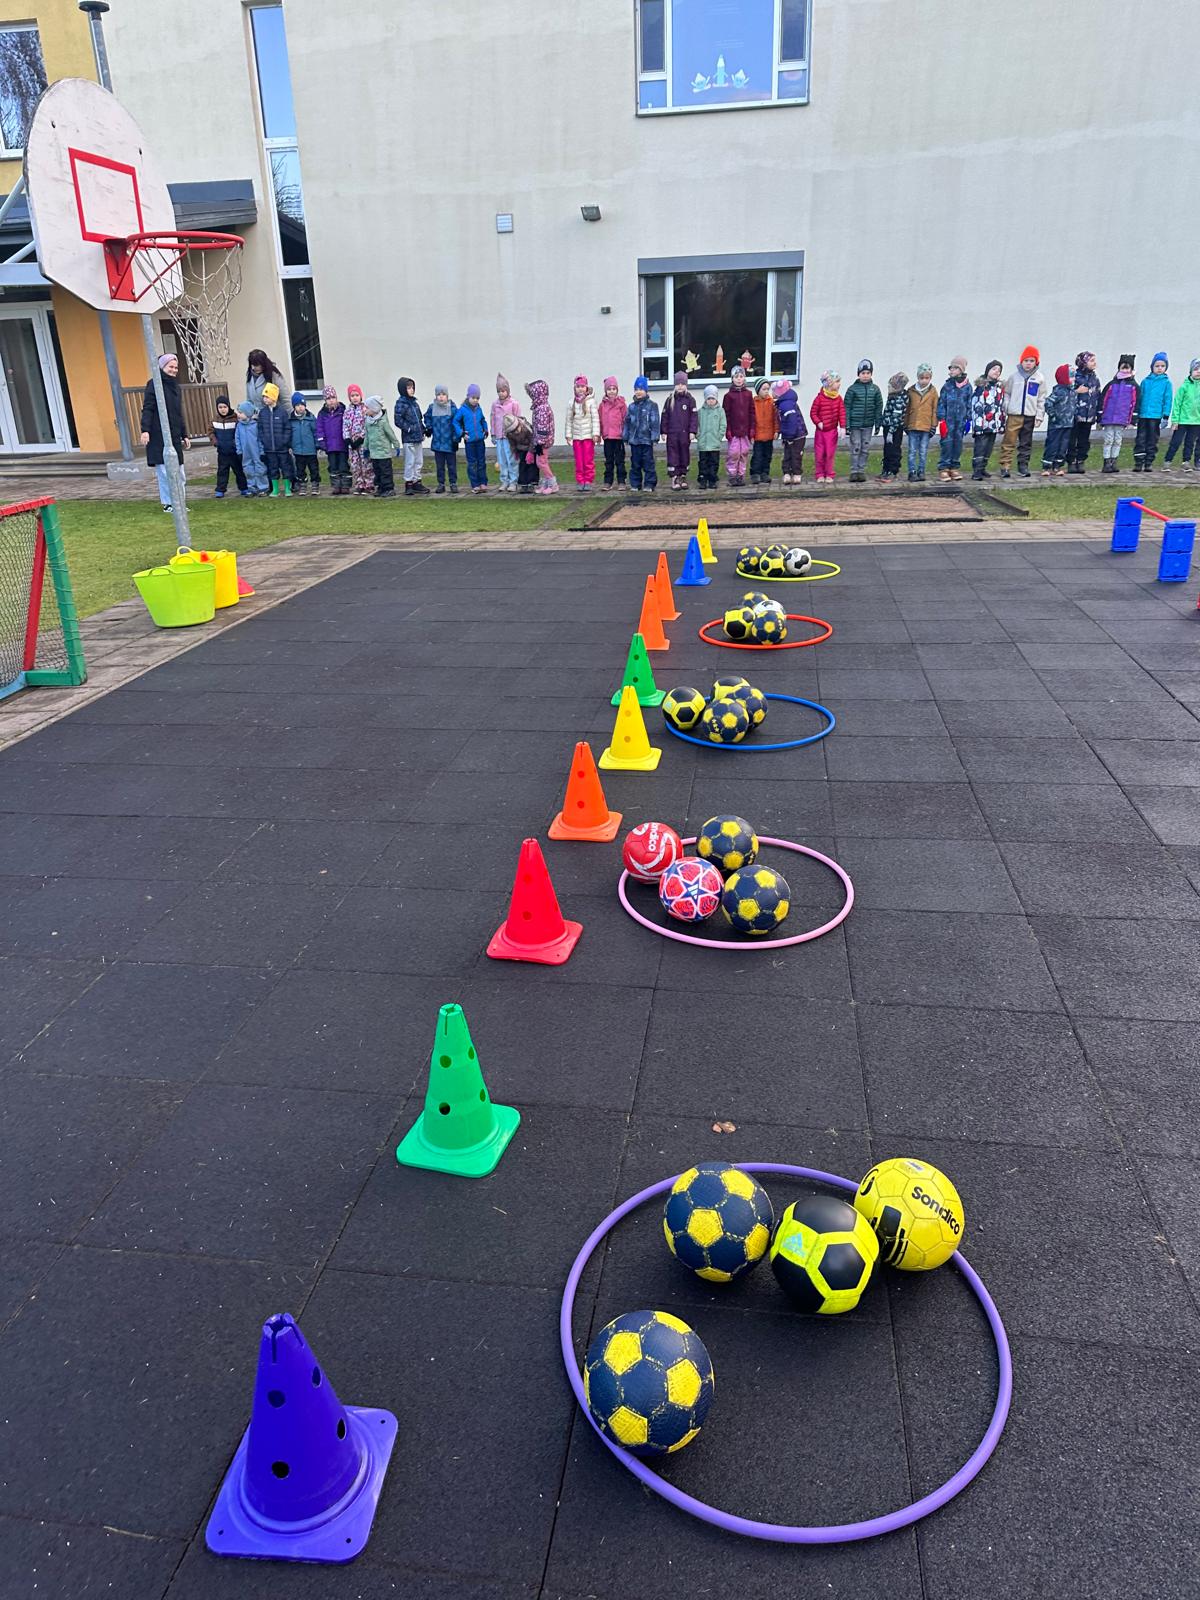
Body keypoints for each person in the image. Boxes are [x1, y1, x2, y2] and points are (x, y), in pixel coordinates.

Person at [139, 353, 189, 512]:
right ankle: (169, 503)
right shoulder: (154, 384)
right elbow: (148, 408)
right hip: (158, 435)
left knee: (179, 471)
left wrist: (184, 434)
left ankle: (180, 501)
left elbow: (178, 412)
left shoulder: (176, 387)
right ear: (162, 367)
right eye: (170, 367)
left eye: (176, 367)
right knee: (165, 471)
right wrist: (145, 430)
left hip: (174, 434)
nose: (174, 370)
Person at [999, 346, 1046, 478]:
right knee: (1009, 441)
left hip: (1030, 415)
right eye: (1026, 361)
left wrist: (1039, 416)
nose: (1028, 363)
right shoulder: (1014, 377)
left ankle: (1023, 465)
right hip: (1014, 415)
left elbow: (1041, 398)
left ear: (1036, 362)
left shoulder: (1039, 378)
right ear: (1021, 361)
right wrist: (1007, 406)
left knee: (1026, 442)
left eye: (1031, 361)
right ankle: (1005, 465)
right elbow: (1007, 393)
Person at [844, 359, 882, 482]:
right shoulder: (852, 389)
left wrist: (878, 423)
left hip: (868, 424)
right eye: (863, 373)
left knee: (865, 448)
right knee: (856, 447)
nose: (865, 375)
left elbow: (878, 407)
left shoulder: (875, 389)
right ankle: (854, 471)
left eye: (868, 373)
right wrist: (847, 424)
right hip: (855, 424)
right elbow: (847, 407)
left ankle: (861, 470)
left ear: (871, 374)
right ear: (858, 374)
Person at [1133, 352, 1172, 472]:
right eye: (1157, 366)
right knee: (1140, 438)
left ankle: (1149, 462)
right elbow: (1139, 397)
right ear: (1152, 367)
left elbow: (1168, 400)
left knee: (1152, 439)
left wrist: (1166, 416)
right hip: (1143, 415)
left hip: (1156, 416)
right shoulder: (1145, 381)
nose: (1159, 368)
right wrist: (1136, 412)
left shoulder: (1166, 383)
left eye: (1162, 366)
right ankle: (1138, 462)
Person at [936, 356, 973, 481]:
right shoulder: (947, 386)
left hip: (960, 421)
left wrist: (969, 419)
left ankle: (954, 467)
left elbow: (969, 403)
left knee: (958, 444)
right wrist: (941, 420)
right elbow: (941, 403)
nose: (952, 370)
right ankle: (944, 468)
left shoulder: (967, 387)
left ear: (961, 370)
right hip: (948, 421)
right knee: (947, 443)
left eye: (955, 368)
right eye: (951, 368)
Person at [1099, 355, 1138, 473]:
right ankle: (1106, 462)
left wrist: (1133, 419)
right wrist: (1100, 414)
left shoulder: (1134, 386)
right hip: (1109, 418)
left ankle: (1113, 461)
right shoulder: (1111, 384)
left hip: (1122, 418)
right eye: (1123, 368)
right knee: (1108, 440)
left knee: (1117, 440)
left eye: (1127, 368)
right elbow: (1103, 399)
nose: (1125, 371)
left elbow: (1136, 403)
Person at [661, 369, 698, 490]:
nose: (680, 386)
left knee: (684, 454)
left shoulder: (690, 400)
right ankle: (674, 477)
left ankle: (683, 476)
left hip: (685, 434)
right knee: (673, 455)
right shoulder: (670, 400)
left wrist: (693, 431)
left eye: (682, 384)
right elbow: (665, 417)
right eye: (678, 384)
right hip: (672, 434)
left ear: (686, 385)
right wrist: (664, 431)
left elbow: (694, 417)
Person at [623, 374, 660, 491]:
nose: (638, 392)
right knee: (635, 463)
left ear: (646, 390)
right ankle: (635, 484)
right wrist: (625, 436)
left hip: (647, 440)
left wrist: (655, 437)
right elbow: (627, 422)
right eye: (636, 389)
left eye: (641, 389)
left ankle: (649, 484)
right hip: (635, 440)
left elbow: (655, 422)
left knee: (648, 463)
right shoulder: (631, 407)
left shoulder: (652, 405)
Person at [970, 361, 1006, 480]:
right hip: (983, 424)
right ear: (988, 371)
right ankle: (976, 471)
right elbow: (977, 405)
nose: (997, 372)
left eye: (999, 370)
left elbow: (1000, 406)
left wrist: (1001, 422)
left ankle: (982, 468)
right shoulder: (981, 387)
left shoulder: (999, 388)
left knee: (989, 448)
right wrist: (978, 425)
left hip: (994, 424)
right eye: (994, 369)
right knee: (980, 447)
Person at [1066, 351, 1101, 474]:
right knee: (1072, 439)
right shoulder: (1074, 377)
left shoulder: (1095, 378)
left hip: (1089, 415)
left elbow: (1098, 396)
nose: (1094, 363)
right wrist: (1076, 391)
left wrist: (1098, 413)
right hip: (1075, 415)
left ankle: (1081, 460)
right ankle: (1071, 461)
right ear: (1083, 363)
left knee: (1084, 440)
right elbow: (1065, 393)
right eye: (1091, 361)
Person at [564, 374, 600, 492]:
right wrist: (568, 435)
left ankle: (588, 480)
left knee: (588, 460)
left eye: (582, 386)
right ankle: (580, 480)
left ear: (586, 388)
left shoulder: (591, 402)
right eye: (578, 387)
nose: (580, 389)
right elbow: (569, 420)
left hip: (588, 437)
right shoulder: (572, 403)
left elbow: (595, 419)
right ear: (575, 388)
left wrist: (596, 434)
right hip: (577, 437)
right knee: (579, 461)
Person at [256, 381, 293, 496]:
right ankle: (275, 489)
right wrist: (264, 441)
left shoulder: (282, 412)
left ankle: (287, 488)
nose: (265, 399)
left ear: (274, 397)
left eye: (267, 396)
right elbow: (260, 429)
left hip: (282, 448)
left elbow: (287, 428)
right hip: (269, 449)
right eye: (264, 397)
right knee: (272, 469)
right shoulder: (263, 413)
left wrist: (284, 441)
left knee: (285, 468)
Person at [1164, 357, 1200, 471]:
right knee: (1176, 441)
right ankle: (1167, 461)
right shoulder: (1184, 387)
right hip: (1182, 421)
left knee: (1190, 443)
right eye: (1196, 369)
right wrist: (1175, 420)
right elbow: (1177, 404)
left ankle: (1186, 462)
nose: (1198, 371)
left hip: (1196, 421)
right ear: (1191, 371)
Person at [810, 370, 845, 484]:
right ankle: (820, 474)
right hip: (820, 432)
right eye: (837, 382)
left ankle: (829, 474)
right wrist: (818, 422)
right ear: (830, 384)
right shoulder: (819, 398)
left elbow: (842, 413)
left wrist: (843, 427)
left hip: (832, 431)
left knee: (830, 453)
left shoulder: (838, 398)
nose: (839, 384)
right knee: (820, 454)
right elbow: (813, 413)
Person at [424, 384, 461, 493]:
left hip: (450, 443)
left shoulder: (452, 408)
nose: (441, 397)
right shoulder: (432, 408)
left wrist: (456, 438)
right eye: (438, 394)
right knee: (439, 466)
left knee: (451, 465)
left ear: (447, 396)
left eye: (443, 394)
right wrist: (429, 427)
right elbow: (427, 417)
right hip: (438, 443)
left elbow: (457, 423)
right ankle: (441, 484)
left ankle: (453, 483)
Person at [722, 364, 754, 486]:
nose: (739, 379)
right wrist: (728, 430)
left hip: (745, 431)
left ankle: (741, 475)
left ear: (744, 378)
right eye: (736, 377)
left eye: (741, 376)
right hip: (734, 431)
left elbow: (752, 412)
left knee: (744, 453)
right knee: (734, 453)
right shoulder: (728, 396)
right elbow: (726, 414)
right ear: (732, 379)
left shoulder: (748, 394)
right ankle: (732, 475)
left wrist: (752, 429)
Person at [210, 394, 247, 498]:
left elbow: (239, 432)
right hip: (222, 451)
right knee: (222, 471)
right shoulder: (214, 420)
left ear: (228, 406)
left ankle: (244, 488)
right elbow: (211, 432)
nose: (222, 409)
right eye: (220, 407)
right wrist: (215, 442)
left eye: (225, 407)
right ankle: (220, 490)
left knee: (239, 471)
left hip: (234, 451)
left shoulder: (235, 418)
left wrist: (235, 443)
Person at [395, 377, 428, 495]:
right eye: (409, 388)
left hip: (418, 437)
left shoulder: (415, 404)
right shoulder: (401, 404)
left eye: (412, 387)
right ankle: (408, 483)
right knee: (410, 461)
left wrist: (423, 430)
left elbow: (419, 419)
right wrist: (409, 428)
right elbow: (398, 420)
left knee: (419, 461)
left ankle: (416, 481)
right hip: (408, 438)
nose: (412, 390)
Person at [904, 365, 937, 481]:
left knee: (923, 451)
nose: (924, 380)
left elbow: (935, 409)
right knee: (912, 450)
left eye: (927, 378)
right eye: (921, 378)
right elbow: (907, 409)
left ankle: (921, 471)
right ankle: (912, 471)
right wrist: (905, 423)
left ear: (930, 378)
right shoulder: (911, 391)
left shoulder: (933, 392)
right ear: (918, 378)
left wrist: (934, 425)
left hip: (926, 426)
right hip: (913, 425)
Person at [1041, 365, 1076, 476]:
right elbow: (1048, 403)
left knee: (1063, 446)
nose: (1074, 379)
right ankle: (1047, 466)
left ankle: (1057, 466)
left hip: (1068, 424)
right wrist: (1053, 416)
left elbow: (1073, 406)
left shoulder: (1072, 392)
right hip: (1056, 425)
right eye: (1071, 376)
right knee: (1053, 445)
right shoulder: (1059, 391)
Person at [456, 383, 490, 493]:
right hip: (469, 441)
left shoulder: (479, 409)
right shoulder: (462, 410)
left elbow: (483, 420)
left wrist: (485, 429)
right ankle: (475, 484)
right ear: (468, 397)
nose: (475, 400)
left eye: (477, 398)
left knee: (481, 462)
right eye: (473, 397)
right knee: (472, 463)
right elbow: (455, 422)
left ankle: (483, 483)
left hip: (480, 440)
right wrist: (461, 433)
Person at [316, 385, 349, 495]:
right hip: (330, 446)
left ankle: (345, 485)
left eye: (333, 398)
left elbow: (347, 425)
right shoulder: (322, 414)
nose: (331, 401)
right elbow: (319, 428)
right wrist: (322, 442)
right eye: (328, 399)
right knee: (333, 466)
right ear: (325, 400)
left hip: (342, 444)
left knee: (343, 465)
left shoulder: (343, 410)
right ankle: (336, 486)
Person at [526, 379, 558, 494]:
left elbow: (543, 427)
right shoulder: (539, 407)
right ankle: (545, 483)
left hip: (542, 442)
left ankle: (552, 484)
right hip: (540, 441)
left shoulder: (542, 409)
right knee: (541, 462)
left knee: (541, 462)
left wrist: (539, 443)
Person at [364, 395, 399, 496]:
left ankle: (389, 488)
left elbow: (390, 434)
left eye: (367, 407)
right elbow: (367, 435)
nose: (365, 409)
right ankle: (380, 487)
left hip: (383, 453)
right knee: (377, 472)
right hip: (374, 453)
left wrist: (396, 445)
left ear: (374, 408)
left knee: (385, 472)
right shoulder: (368, 422)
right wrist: (366, 447)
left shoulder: (383, 422)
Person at [490, 374, 520, 491]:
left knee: (511, 459)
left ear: (507, 390)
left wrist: (517, 435)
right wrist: (493, 433)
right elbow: (493, 419)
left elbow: (518, 419)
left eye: (503, 391)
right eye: (499, 391)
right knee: (501, 460)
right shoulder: (495, 405)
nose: (501, 393)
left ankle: (513, 481)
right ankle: (504, 481)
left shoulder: (514, 403)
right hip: (499, 437)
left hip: (510, 437)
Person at [774, 377, 807, 483]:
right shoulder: (784, 403)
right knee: (788, 454)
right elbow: (783, 421)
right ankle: (787, 473)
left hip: (796, 435)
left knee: (795, 454)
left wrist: (790, 436)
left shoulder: (786, 405)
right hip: (789, 434)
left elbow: (792, 421)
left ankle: (796, 473)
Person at [599, 377, 628, 489]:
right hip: (607, 437)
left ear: (617, 390)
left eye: (614, 389)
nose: (611, 391)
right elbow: (600, 420)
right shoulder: (602, 405)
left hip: (618, 437)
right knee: (608, 461)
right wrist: (600, 434)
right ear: (605, 391)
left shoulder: (621, 403)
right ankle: (608, 481)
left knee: (620, 461)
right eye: (609, 389)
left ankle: (621, 481)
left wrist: (625, 434)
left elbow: (625, 419)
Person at [344, 384, 373, 494]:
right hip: (352, 444)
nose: (355, 398)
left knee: (366, 463)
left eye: (357, 395)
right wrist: (347, 439)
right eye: (352, 396)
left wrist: (361, 438)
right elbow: (345, 426)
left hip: (362, 442)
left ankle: (369, 484)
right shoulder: (347, 411)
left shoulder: (364, 410)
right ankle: (359, 484)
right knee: (355, 465)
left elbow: (367, 425)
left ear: (360, 396)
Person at [879, 371, 908, 482]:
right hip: (887, 426)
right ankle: (886, 469)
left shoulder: (899, 398)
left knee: (894, 450)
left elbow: (896, 416)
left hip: (895, 429)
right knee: (887, 449)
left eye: (890, 385)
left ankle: (893, 470)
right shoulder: (892, 396)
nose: (888, 387)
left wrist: (891, 431)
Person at [234, 402, 268, 494]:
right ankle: (252, 487)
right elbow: (237, 439)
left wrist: (262, 451)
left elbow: (260, 439)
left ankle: (263, 487)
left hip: (256, 451)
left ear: (248, 413)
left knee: (260, 468)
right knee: (248, 469)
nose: (239, 415)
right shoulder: (239, 426)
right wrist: (239, 451)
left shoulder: (255, 425)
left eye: (241, 413)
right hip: (245, 452)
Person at [290, 392, 320, 495]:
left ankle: (315, 484)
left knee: (314, 469)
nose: (300, 407)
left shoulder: (310, 418)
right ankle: (302, 484)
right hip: (298, 450)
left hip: (310, 450)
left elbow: (316, 432)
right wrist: (290, 445)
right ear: (294, 406)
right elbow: (290, 434)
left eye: (302, 405)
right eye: (298, 405)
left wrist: (317, 445)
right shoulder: (291, 420)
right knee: (300, 470)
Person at [749, 378, 777, 486]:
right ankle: (755, 473)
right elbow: (751, 419)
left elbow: (775, 418)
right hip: (758, 435)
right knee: (757, 456)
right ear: (758, 390)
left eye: (767, 389)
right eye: (763, 389)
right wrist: (751, 434)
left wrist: (776, 431)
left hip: (769, 434)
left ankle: (765, 473)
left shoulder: (772, 402)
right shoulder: (753, 403)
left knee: (767, 455)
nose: (766, 391)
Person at [696, 383, 723, 488]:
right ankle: (703, 479)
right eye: (709, 398)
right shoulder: (700, 412)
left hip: (714, 443)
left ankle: (712, 479)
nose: (711, 401)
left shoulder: (720, 411)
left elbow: (723, 425)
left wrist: (719, 436)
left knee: (714, 462)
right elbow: (696, 424)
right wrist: (698, 435)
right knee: (703, 462)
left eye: (713, 398)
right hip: (703, 443)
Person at [505, 410, 538, 494]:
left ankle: (532, 484)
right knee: (522, 466)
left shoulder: (526, 429)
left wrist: (531, 452)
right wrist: (515, 452)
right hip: (521, 450)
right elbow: (512, 443)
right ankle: (524, 485)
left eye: (516, 429)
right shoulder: (509, 433)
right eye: (513, 431)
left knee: (532, 466)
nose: (515, 432)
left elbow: (533, 440)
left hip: (531, 449)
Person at [245, 349, 285, 414]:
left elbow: (285, 398)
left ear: (263, 363)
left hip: (273, 416)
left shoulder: (273, 375)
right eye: (252, 365)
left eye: (256, 365)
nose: (253, 368)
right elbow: (249, 401)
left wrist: (291, 417)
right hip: (256, 417)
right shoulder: (250, 376)